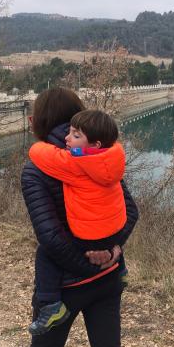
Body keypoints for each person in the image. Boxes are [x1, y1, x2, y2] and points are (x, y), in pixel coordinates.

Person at [21, 87, 137, 347]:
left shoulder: (36, 169)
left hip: (63, 288)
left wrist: (87, 266)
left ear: (39, 121)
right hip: (109, 278)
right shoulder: (100, 157)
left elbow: (50, 237)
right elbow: (130, 212)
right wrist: (111, 253)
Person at [27, 110, 127, 335]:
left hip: (90, 237)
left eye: (75, 135)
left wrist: (47, 143)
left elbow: (38, 153)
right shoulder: (113, 158)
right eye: (69, 132)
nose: (67, 139)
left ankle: (51, 304)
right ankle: (121, 269)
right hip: (115, 232)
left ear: (94, 144)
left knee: (45, 253)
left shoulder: (77, 163)